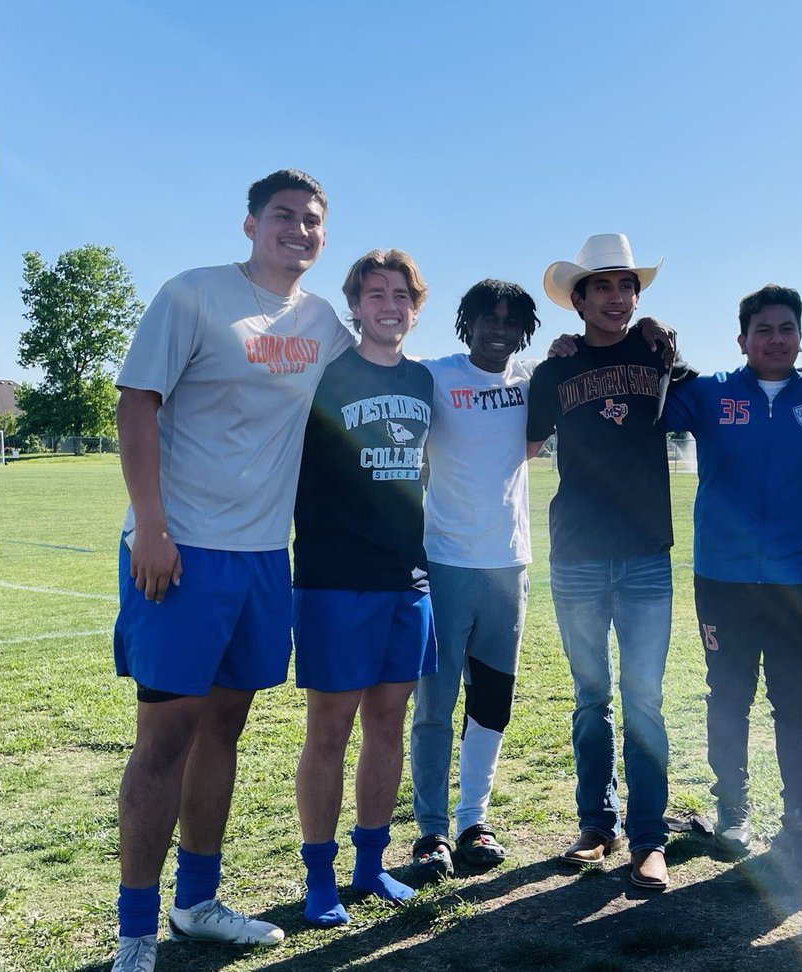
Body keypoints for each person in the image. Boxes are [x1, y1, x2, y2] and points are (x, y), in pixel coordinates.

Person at [111, 170, 352, 971]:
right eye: (284, 215)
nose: (300, 229)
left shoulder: (322, 321)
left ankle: (197, 903)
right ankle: (136, 932)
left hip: (260, 559)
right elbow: (136, 400)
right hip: (178, 551)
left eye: (313, 220)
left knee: (226, 728)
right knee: (165, 737)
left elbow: (377, 375)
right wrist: (151, 525)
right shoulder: (195, 295)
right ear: (249, 224)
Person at [526, 233, 694, 892]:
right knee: (591, 698)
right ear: (580, 298)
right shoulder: (555, 369)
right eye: (604, 286)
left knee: (644, 701)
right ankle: (597, 825)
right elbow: (520, 443)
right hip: (577, 556)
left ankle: (649, 842)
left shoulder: (658, 353)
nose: (618, 298)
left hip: (647, 553)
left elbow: (709, 399)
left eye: (628, 286)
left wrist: (669, 336)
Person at [663, 285, 802, 864]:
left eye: (785, 327)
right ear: (742, 338)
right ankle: (733, 812)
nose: (775, 338)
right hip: (724, 578)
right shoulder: (711, 394)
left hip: (800, 581)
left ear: (800, 335)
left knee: (797, 702)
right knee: (729, 696)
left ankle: (799, 817)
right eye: (762, 329)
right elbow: (644, 395)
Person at [291, 248, 435, 924]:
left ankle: (372, 866)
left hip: (407, 580)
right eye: (375, 293)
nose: (389, 304)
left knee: (387, 725)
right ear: (355, 304)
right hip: (334, 580)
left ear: (416, 304)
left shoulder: (425, 382)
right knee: (329, 730)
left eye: (401, 293)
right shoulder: (323, 375)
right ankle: (320, 878)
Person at [408, 280, 541, 882]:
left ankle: (473, 821)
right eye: (488, 318)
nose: (500, 330)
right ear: (467, 323)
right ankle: (431, 831)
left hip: (507, 566)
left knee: (491, 700)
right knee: (435, 703)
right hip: (443, 562)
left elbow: (595, 360)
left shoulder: (535, 380)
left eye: (512, 321)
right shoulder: (434, 375)